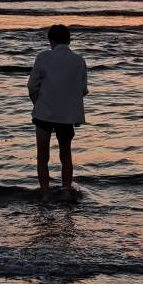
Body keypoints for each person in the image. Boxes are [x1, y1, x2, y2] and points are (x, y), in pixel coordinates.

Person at [27, 24, 88, 196]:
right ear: (69, 40)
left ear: (50, 40)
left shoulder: (43, 57)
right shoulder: (79, 60)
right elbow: (82, 89)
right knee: (66, 154)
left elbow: (32, 85)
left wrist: (37, 103)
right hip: (67, 115)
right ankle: (66, 189)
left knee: (42, 156)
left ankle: (45, 192)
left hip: (44, 112)